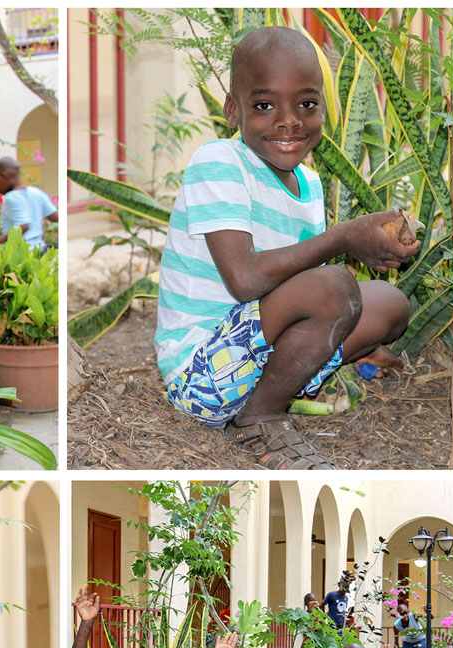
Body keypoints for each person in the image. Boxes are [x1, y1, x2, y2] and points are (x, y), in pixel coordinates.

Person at [156, 26, 418, 470]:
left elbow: (300, 285)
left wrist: (369, 254)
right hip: (200, 376)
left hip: (260, 350)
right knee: (334, 286)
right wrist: (343, 236)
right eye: (264, 105)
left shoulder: (309, 183)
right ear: (233, 111)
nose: (289, 120)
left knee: (389, 303)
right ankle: (259, 418)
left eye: (306, 104)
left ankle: (295, 379)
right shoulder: (218, 161)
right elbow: (246, 281)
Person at [0, 157, 58, 249]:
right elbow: (55, 217)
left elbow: (23, 226)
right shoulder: (36, 192)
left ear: (4, 177)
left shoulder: (12, 197)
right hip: (40, 249)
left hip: (22, 254)